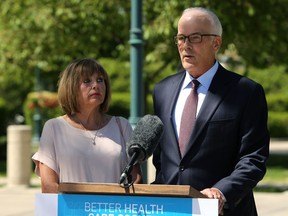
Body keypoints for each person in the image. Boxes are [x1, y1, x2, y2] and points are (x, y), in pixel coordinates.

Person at [152, 7, 269, 216]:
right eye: (181, 38)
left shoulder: (245, 92)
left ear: (216, 43)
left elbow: (253, 159)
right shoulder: (162, 91)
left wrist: (221, 192)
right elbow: (163, 161)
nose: (185, 45)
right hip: (172, 209)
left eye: (195, 37)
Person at [32, 58, 142, 193]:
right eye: (87, 81)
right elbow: (49, 187)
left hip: (113, 211)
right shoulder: (54, 128)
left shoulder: (121, 125)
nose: (96, 85)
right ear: (70, 87)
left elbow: (136, 180)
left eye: (100, 80)